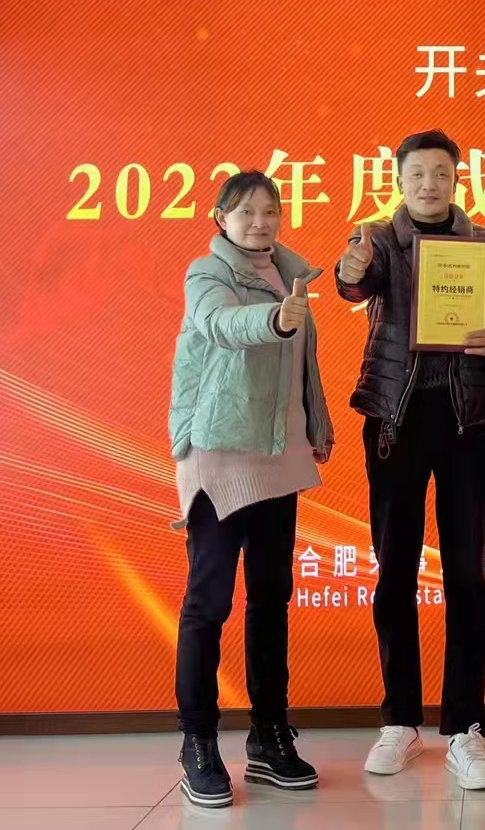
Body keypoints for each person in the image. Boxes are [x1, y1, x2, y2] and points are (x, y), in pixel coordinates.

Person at [335, 129, 485, 791]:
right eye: (417, 174)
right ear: (400, 179)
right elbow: (354, 284)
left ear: (456, 178)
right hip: (396, 420)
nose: (429, 184)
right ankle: (400, 720)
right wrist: (350, 270)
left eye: (440, 173)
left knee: (467, 572)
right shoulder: (377, 240)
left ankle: (465, 727)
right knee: (395, 571)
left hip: (467, 420)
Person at [168, 170, 334, 808]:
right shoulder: (205, 272)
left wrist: (316, 425)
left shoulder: (291, 271)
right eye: (246, 212)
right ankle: (197, 742)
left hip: (278, 456)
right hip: (220, 452)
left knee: (271, 600)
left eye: (270, 211)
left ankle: (268, 735)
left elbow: (301, 367)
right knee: (208, 604)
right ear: (220, 218)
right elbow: (219, 324)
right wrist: (274, 319)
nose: (260, 222)